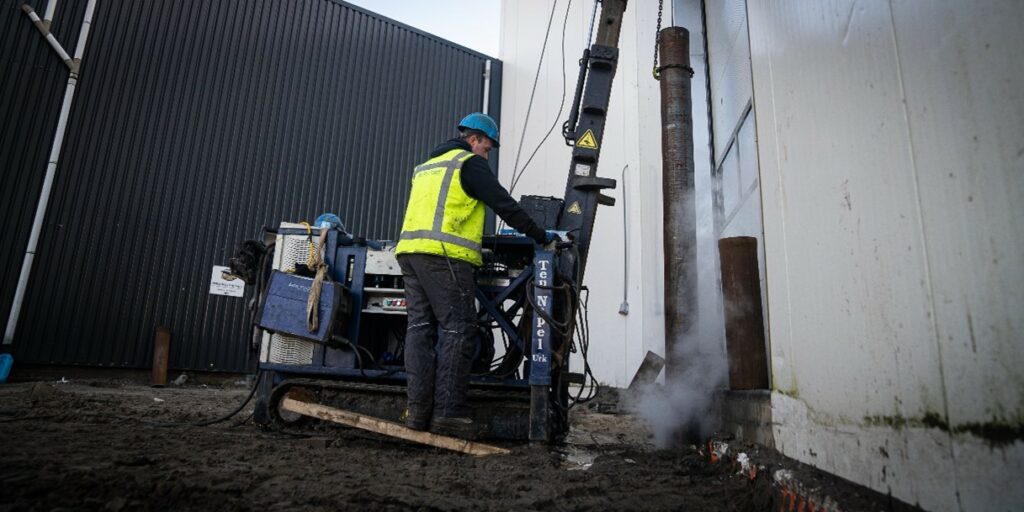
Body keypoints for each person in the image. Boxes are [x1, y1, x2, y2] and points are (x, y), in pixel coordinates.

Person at [395, 112, 554, 438]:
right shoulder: (468, 163)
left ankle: (417, 413)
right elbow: (503, 204)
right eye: (488, 148)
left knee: (420, 331)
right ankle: (448, 414)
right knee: (458, 329)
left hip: (411, 255)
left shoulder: (426, 166)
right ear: (474, 140)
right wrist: (541, 235)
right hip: (444, 258)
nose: (488, 154)